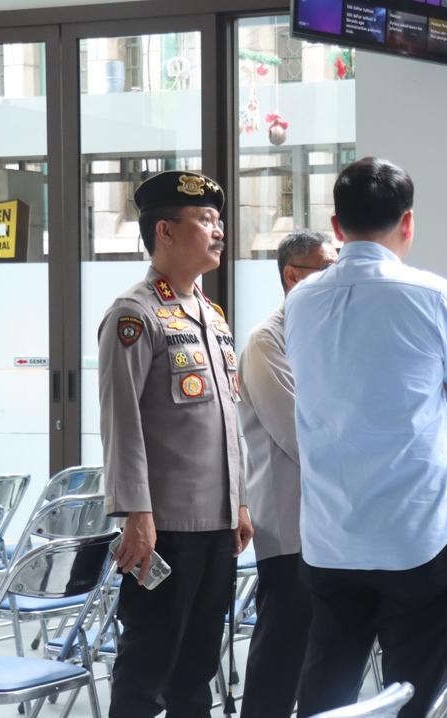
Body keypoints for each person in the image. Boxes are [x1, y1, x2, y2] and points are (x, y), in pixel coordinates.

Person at [285, 158, 447, 717]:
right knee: (416, 692)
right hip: (418, 532)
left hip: (331, 534)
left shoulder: (300, 300)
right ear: (408, 222)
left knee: (328, 689)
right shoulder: (430, 292)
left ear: (337, 225)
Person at [98, 170, 254, 717]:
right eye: (205, 220)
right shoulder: (134, 313)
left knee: (198, 668)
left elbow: (226, 419)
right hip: (163, 527)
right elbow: (121, 424)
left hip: (216, 524)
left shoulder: (211, 316)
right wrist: (136, 515)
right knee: (148, 664)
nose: (218, 231)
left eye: (218, 220)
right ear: (164, 230)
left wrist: (239, 501)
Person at [237, 230, 337, 718]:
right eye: (328, 269)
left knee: (324, 653)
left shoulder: (332, 334)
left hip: (333, 519)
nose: (339, 278)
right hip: (290, 520)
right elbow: (300, 433)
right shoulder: (266, 341)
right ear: (294, 276)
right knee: (283, 648)